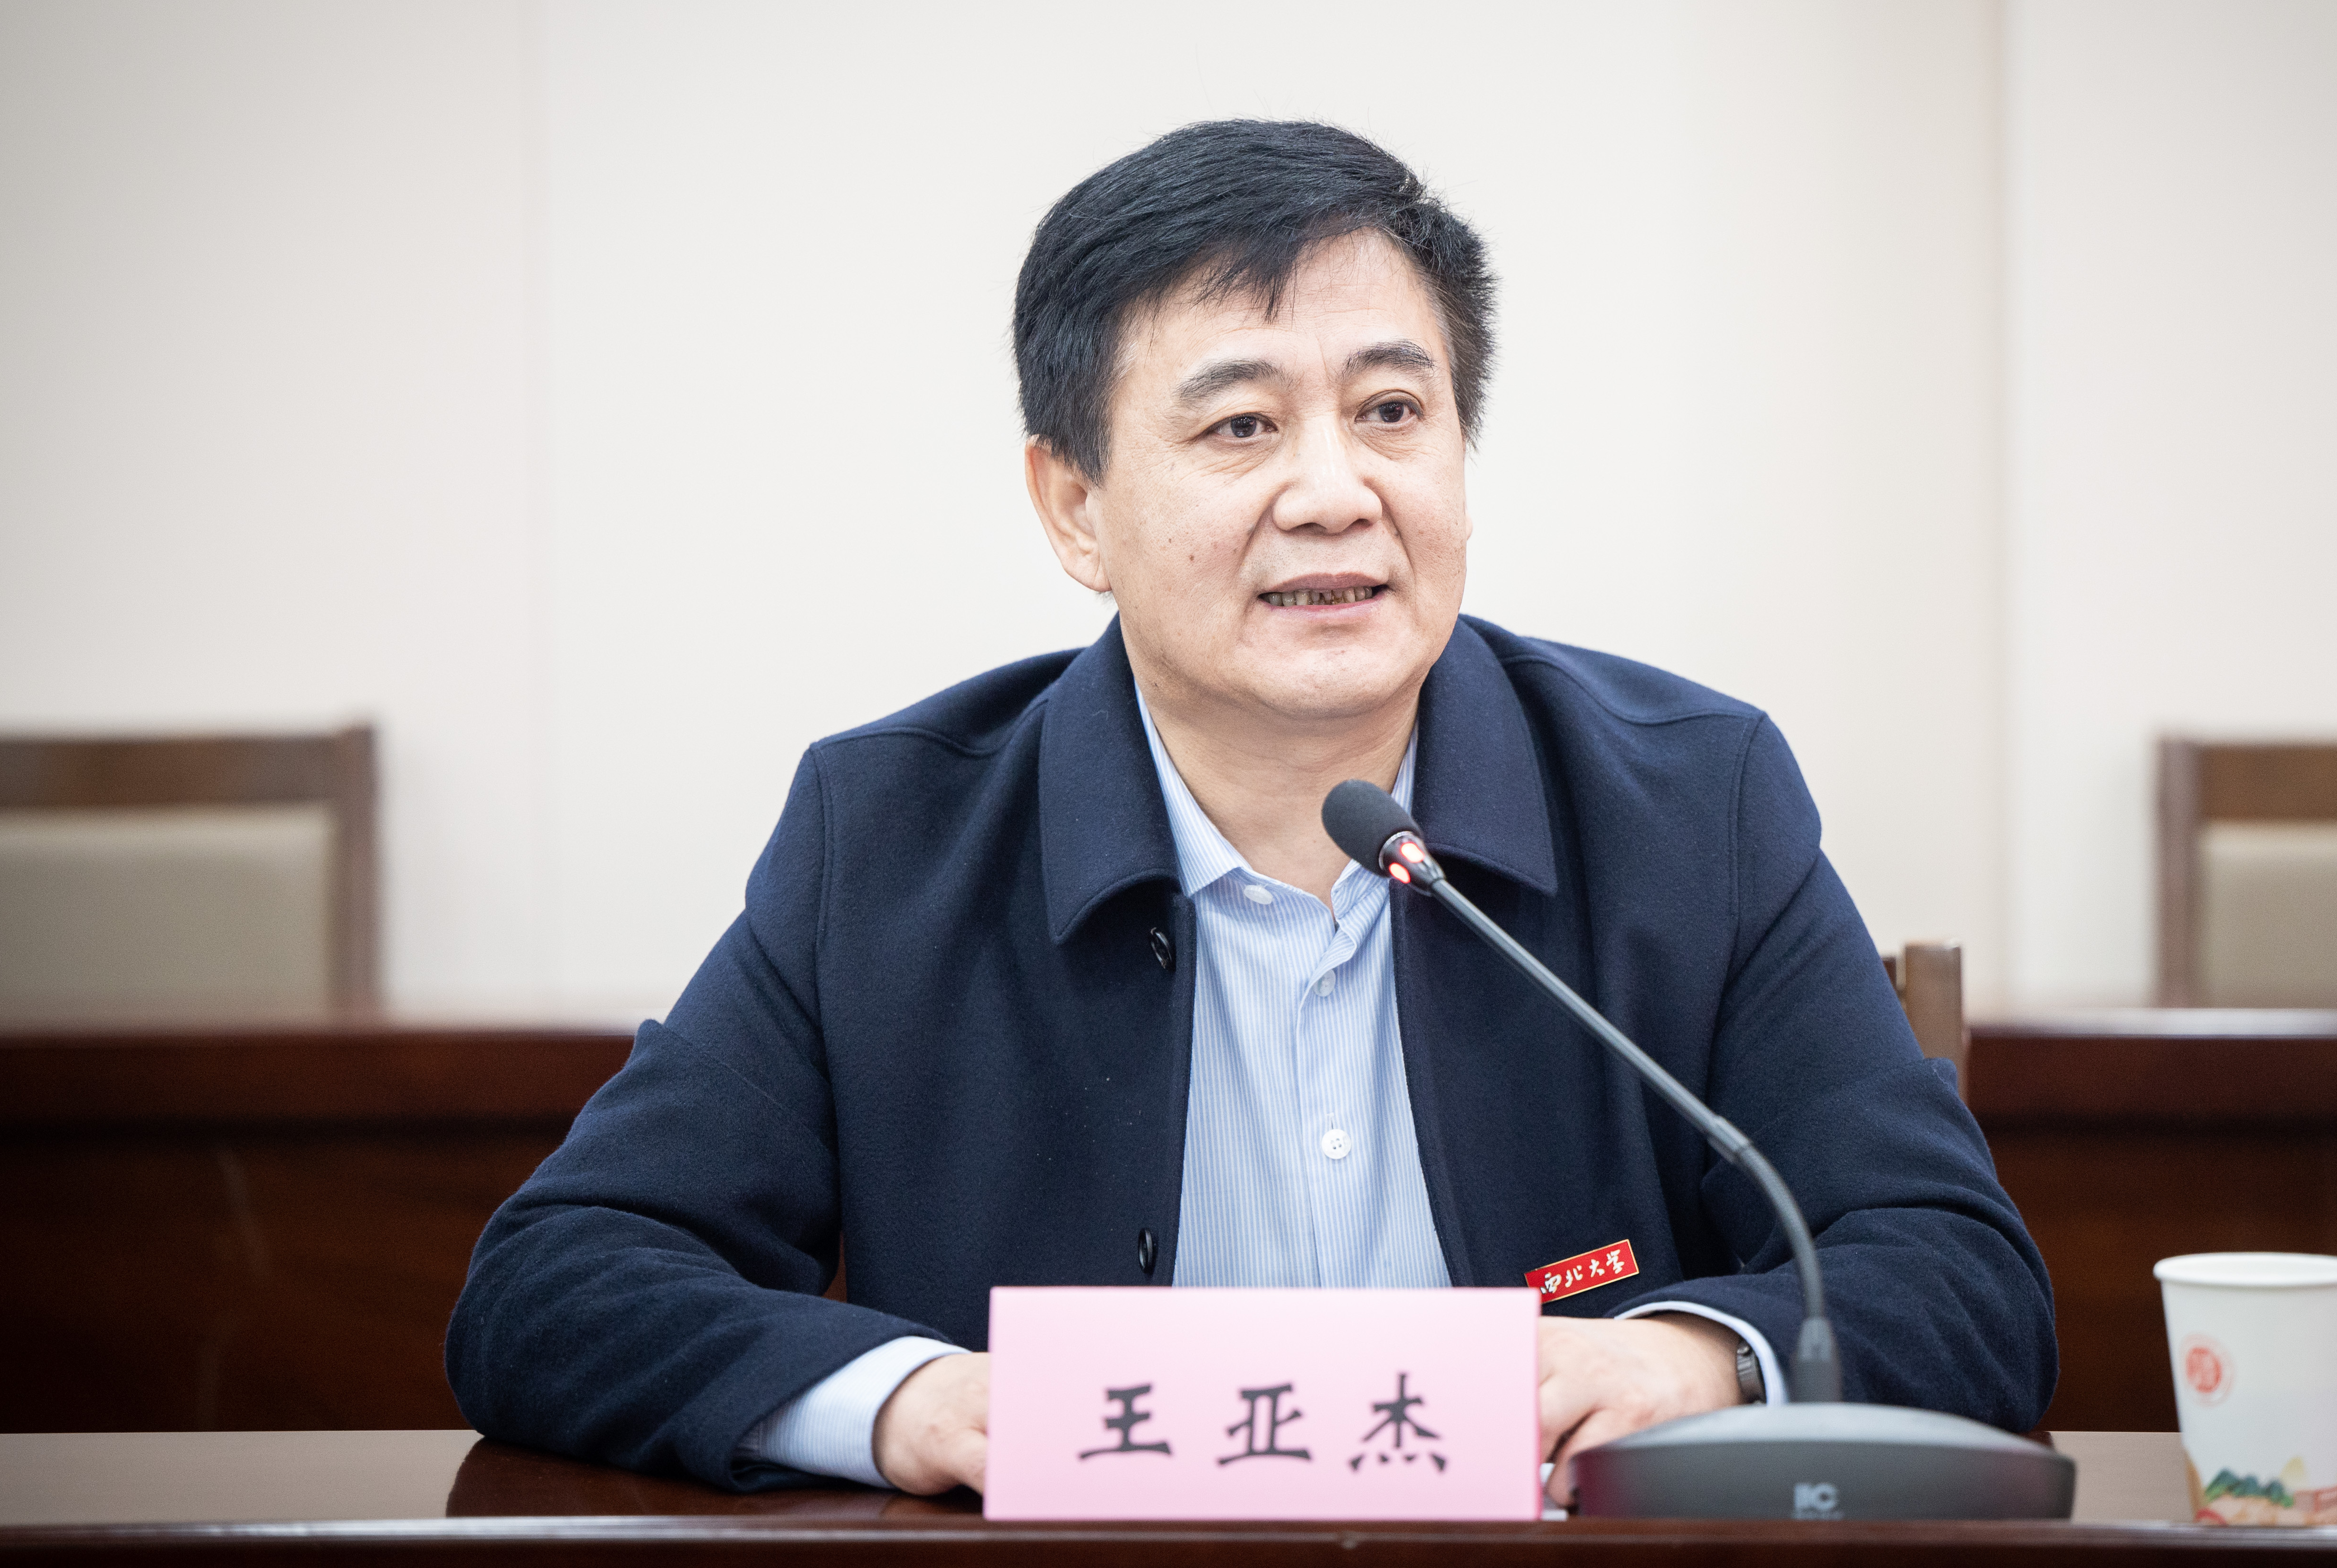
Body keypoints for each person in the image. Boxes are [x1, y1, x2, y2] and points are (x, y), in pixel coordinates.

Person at [445, 121, 2054, 1506]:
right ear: (1075, 506)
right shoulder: (891, 840)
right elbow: (557, 1286)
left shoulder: (1690, 803)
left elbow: (1960, 1276)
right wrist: (914, 1401)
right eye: (1241, 427)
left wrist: (1691, 1360)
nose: (1337, 492)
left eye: (1393, 412)